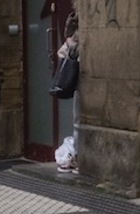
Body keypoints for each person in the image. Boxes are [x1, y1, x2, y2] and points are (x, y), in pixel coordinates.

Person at [56, 2, 80, 173]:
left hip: (82, 79)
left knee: (78, 120)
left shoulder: (78, 25)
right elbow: (64, 50)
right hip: (79, 79)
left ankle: (77, 157)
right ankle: (77, 157)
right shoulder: (75, 24)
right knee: (78, 120)